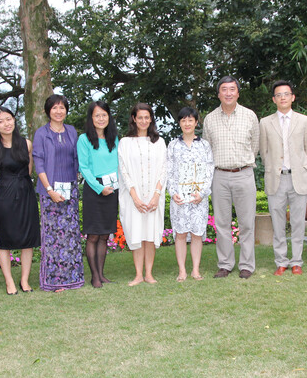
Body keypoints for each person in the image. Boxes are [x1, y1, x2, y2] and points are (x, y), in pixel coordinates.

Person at [202, 76, 260, 279]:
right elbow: (207, 148)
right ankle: (225, 264)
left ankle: (246, 265)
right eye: (224, 90)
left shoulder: (250, 116)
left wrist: (243, 162)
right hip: (219, 175)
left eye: (232, 89)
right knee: (222, 223)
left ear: (238, 92)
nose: (228, 93)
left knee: (246, 223)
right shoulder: (210, 118)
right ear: (218, 94)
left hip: (244, 173)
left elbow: (255, 145)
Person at [259, 80, 307, 275]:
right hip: (276, 179)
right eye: (279, 95)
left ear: (293, 97)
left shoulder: (305, 121)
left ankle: (297, 261)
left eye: (286, 94)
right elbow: (264, 152)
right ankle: (281, 261)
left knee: (298, 222)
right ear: (274, 99)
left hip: (298, 178)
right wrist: (275, 167)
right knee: (278, 223)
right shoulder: (265, 122)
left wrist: (300, 167)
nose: (283, 97)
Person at [0, 107, 40, 294]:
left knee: (28, 239)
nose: (6, 123)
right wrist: (7, 186)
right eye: (1, 121)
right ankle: (9, 282)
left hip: (26, 193)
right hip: (5, 197)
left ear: (14, 120)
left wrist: (20, 185)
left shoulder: (26, 144)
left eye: (9, 119)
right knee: (5, 240)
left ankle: (24, 280)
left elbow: (29, 168)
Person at [33, 95, 85, 291]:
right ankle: (53, 282)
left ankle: (73, 279)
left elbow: (77, 158)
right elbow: (39, 163)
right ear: (48, 111)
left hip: (70, 188)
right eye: (54, 108)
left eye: (62, 107)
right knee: (53, 237)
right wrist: (49, 190)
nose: (58, 111)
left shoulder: (72, 131)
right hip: (50, 191)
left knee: (70, 236)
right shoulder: (41, 133)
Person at [118, 102, 167, 286]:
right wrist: (135, 197)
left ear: (151, 119)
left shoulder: (159, 142)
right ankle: (138, 274)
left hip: (153, 196)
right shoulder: (125, 143)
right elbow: (123, 171)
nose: (144, 121)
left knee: (150, 234)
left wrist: (156, 195)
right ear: (134, 119)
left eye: (147, 117)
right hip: (134, 197)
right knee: (137, 234)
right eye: (140, 117)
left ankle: (149, 273)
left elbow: (164, 169)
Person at [165, 107, 214, 281]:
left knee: (196, 234)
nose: (187, 123)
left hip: (198, 199)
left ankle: (195, 269)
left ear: (196, 122)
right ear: (179, 123)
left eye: (190, 120)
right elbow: (169, 172)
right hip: (180, 198)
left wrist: (203, 193)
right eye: (183, 120)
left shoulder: (204, 145)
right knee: (180, 234)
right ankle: (182, 271)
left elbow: (209, 171)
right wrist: (173, 193)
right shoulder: (173, 145)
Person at [77, 101, 119, 288]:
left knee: (105, 235)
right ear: (91, 118)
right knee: (93, 235)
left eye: (104, 115)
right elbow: (83, 167)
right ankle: (94, 276)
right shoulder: (84, 140)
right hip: (94, 190)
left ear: (109, 117)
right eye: (97, 115)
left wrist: (115, 185)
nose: (101, 119)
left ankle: (102, 274)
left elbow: (119, 163)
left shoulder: (115, 138)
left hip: (112, 188)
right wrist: (98, 187)